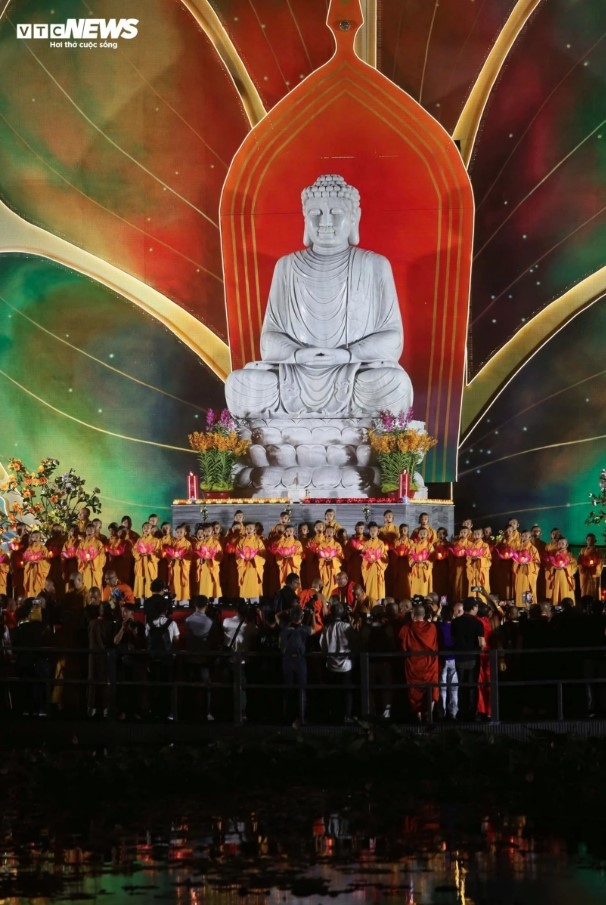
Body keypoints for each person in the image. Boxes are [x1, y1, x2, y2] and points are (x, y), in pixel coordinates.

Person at [225, 173, 413, 419]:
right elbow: (268, 341)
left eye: (336, 213)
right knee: (242, 383)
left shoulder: (374, 265)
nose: (325, 222)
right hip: (296, 374)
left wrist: (346, 355)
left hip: (353, 370)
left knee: (393, 382)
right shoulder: (287, 266)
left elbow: (393, 339)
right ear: (305, 219)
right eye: (315, 214)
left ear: (354, 218)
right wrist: (298, 355)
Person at [319, 601, 357, 722]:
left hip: (331, 665)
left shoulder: (327, 628)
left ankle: (334, 715)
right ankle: (347, 716)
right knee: (347, 692)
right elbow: (357, 644)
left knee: (333, 692)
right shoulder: (347, 627)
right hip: (346, 665)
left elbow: (322, 646)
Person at [451, 596, 485, 721]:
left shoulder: (455, 622)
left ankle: (462, 711)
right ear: (473, 608)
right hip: (473, 658)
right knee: (472, 685)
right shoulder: (477, 623)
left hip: (459, 657)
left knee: (461, 685)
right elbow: (482, 643)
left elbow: (453, 639)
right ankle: (472, 711)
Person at [360, 523, 388, 600]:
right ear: (369, 532)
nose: (373, 532)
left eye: (375, 531)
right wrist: (368, 558)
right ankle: (370, 600)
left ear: (378, 532)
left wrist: (377, 559)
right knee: (370, 585)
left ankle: (379, 602)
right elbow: (363, 554)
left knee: (378, 585)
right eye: (371, 531)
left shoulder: (381, 543)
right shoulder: (366, 543)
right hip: (369, 566)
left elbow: (384, 556)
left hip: (377, 566)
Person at [577, 534, 603, 600]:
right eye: (588, 540)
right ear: (586, 541)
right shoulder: (582, 550)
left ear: (595, 541)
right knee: (584, 589)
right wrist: (583, 566)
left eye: (592, 540)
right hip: (585, 572)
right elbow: (579, 561)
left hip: (593, 572)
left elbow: (600, 562)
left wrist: (594, 567)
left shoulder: (597, 550)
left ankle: (594, 603)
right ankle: (584, 603)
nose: (590, 541)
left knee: (593, 588)